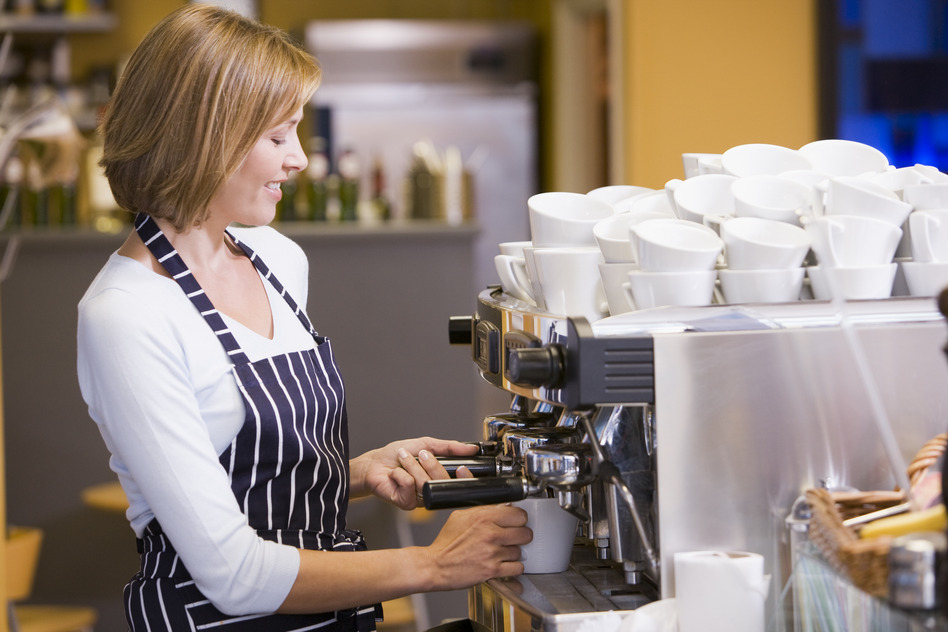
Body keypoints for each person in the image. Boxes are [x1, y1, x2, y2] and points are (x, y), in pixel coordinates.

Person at [76, 5, 530, 631]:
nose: (300, 161)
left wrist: (354, 474)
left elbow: (243, 486)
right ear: (205, 136)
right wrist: (436, 565)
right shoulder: (126, 316)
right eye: (277, 136)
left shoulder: (276, 260)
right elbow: (231, 571)